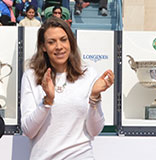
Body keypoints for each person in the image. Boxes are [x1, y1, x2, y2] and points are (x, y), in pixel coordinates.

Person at [21, 17, 114, 159]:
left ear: (70, 41)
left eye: (63, 39)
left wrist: (94, 97)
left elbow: (94, 131)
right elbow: (28, 130)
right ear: (44, 47)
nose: (59, 46)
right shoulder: (31, 76)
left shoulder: (88, 74)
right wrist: (47, 101)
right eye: (52, 42)